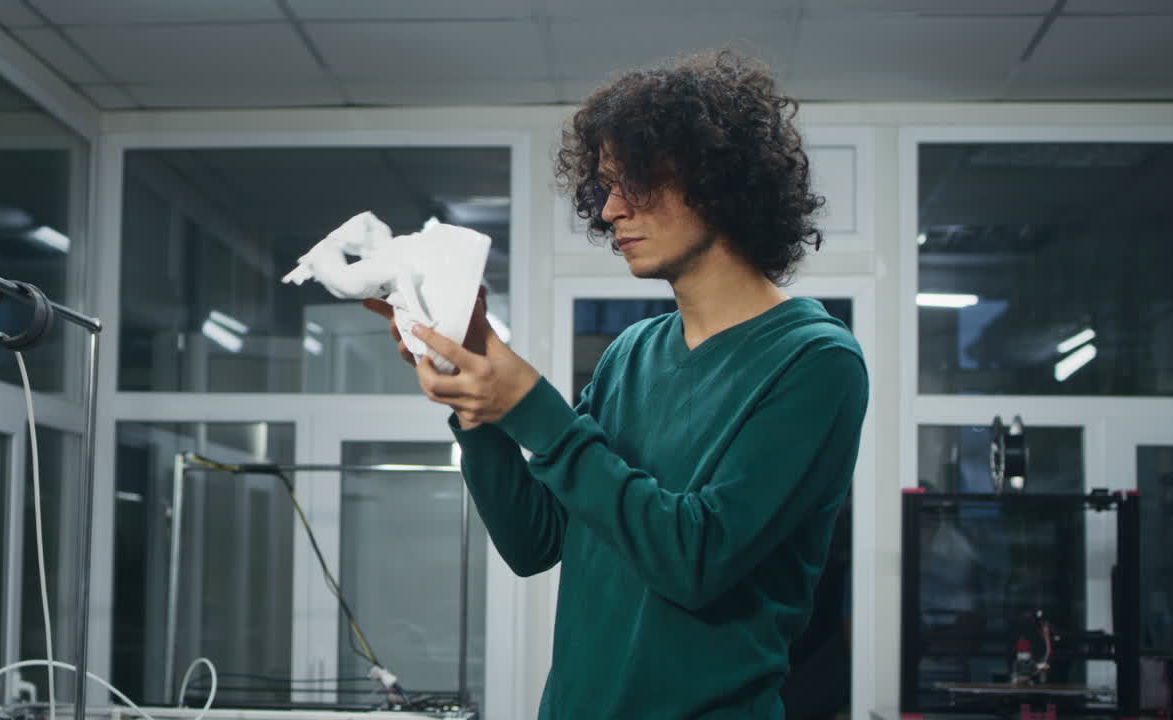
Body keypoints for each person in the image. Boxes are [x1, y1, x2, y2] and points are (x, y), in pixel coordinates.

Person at [366, 50, 868, 719]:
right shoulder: (632, 353)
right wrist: (473, 393)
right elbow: (533, 542)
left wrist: (533, 407)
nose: (608, 210)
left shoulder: (816, 360)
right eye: (604, 186)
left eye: (634, 181)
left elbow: (694, 561)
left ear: (718, 179)